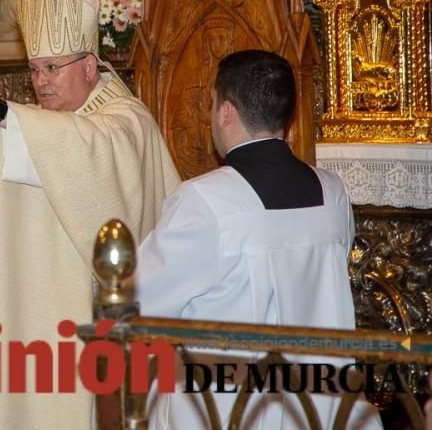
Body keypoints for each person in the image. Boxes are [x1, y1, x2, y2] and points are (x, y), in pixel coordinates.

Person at [0, 0, 180, 428]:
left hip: (94, 333)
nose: (40, 81)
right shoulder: (38, 122)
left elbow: (95, 154)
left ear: (90, 65)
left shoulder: (124, 119)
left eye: (51, 67)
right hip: (21, 324)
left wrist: (2, 112)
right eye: (34, 69)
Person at [135, 50, 380, 429]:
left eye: (213, 103)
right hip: (323, 404)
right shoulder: (333, 193)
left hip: (232, 409)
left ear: (226, 111)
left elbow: (139, 299)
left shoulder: (206, 199)